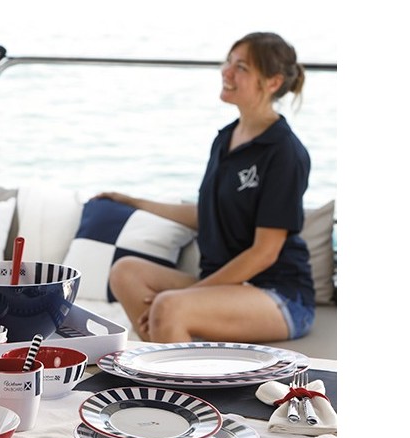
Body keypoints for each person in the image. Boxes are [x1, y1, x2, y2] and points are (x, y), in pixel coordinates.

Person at [100, 32, 314, 344]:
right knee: (125, 272)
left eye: (241, 67)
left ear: (273, 82)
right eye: (228, 62)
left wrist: (189, 294)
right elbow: (209, 214)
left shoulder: (284, 152)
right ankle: (171, 356)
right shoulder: (225, 139)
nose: (226, 71)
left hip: (278, 293)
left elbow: (264, 253)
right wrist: (133, 201)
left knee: (169, 307)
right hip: (223, 285)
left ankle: (171, 363)